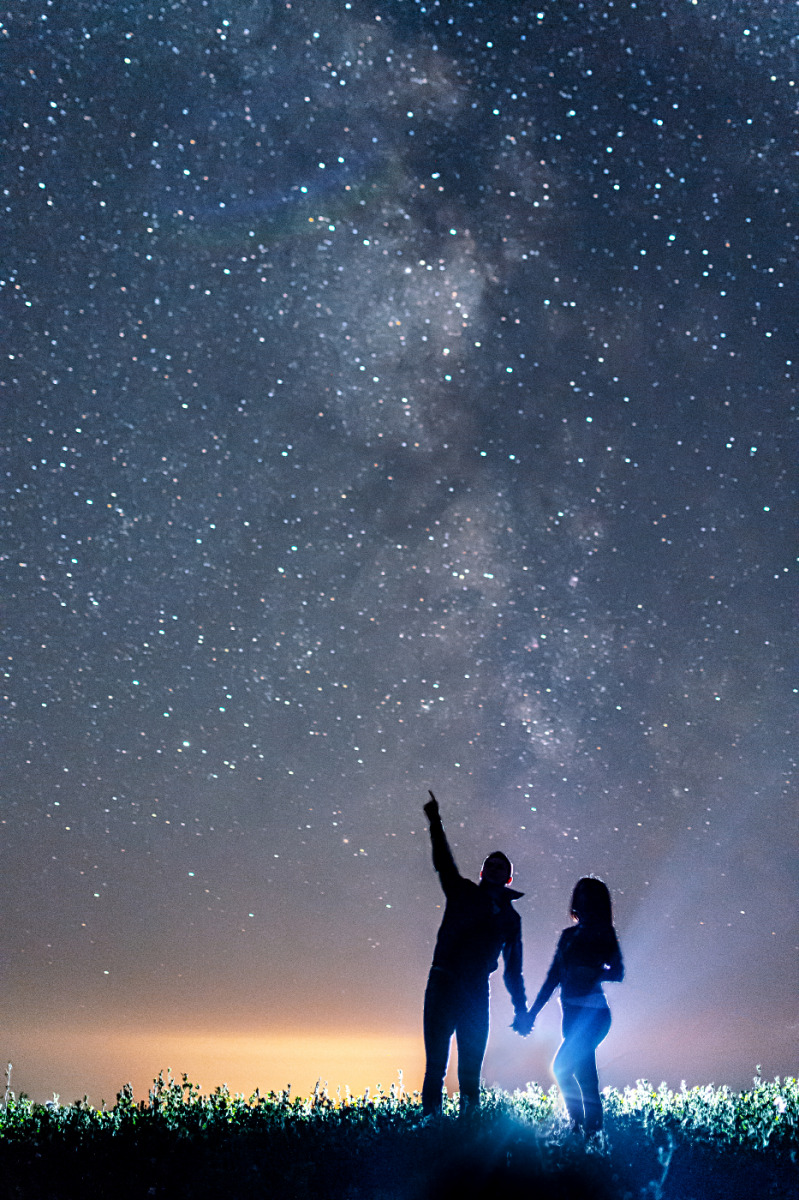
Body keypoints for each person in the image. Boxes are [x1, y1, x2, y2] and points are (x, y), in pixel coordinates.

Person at [421, 790, 527, 1117]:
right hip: (444, 983)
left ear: (508, 877)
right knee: (436, 1065)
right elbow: (443, 863)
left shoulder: (511, 919)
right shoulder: (462, 892)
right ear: (482, 873)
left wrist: (521, 1007)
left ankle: (468, 1133)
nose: (494, 871)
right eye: (489, 866)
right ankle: (430, 1129)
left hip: (476, 991)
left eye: (500, 868)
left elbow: (513, 968)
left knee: (470, 1072)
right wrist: (435, 821)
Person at [520, 876, 623, 1136]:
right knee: (579, 1073)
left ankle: (582, 1131)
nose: (584, 902)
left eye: (590, 897)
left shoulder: (604, 933)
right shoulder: (567, 937)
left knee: (570, 1071)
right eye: (581, 896)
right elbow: (552, 977)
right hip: (572, 1016)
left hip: (593, 1015)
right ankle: (585, 1133)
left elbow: (618, 971)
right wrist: (531, 1014)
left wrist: (592, 974)